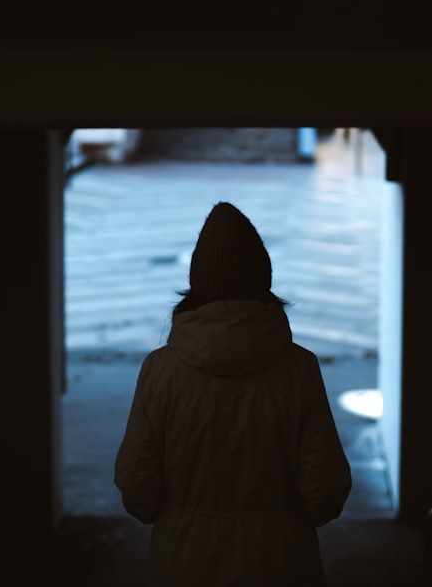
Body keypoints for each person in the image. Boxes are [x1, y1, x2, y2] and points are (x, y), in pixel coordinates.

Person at [114, 201, 352, 586]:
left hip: (182, 562)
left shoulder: (161, 371)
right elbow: (325, 489)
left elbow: (137, 486)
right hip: (280, 562)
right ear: (264, 282)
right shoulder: (299, 370)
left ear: (197, 284)